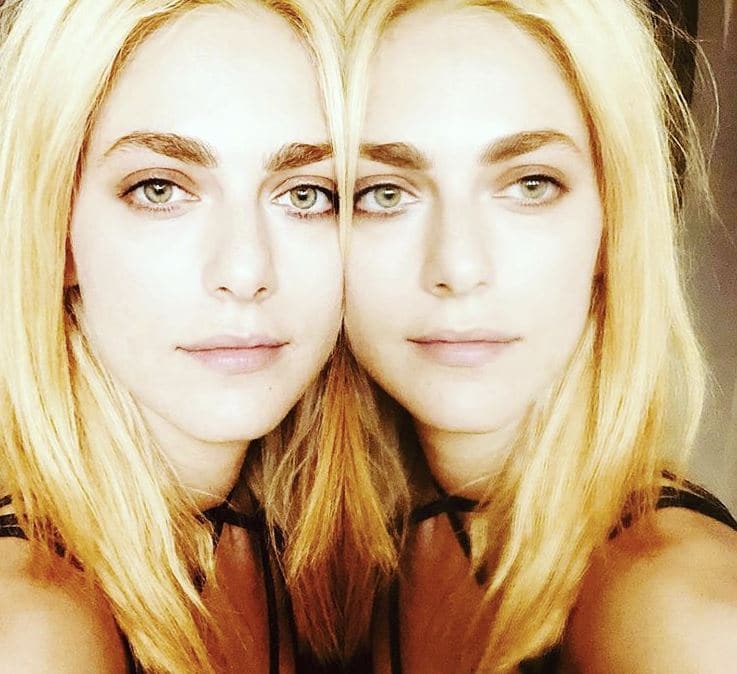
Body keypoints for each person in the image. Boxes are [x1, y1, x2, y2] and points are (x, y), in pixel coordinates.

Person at [342, 0, 737, 672]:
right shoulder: (351, 540)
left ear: (610, 226)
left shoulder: (682, 615)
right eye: (384, 192)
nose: (457, 266)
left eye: (530, 184)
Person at [0, 1, 384, 672]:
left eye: (304, 194)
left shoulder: (302, 525)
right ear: (55, 233)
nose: (246, 271)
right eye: (159, 189)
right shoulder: (37, 629)